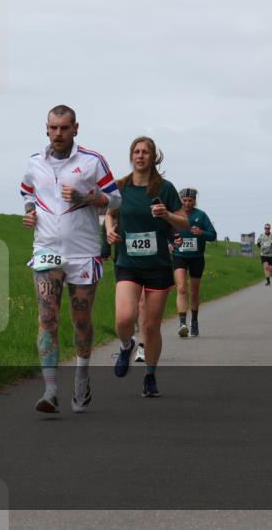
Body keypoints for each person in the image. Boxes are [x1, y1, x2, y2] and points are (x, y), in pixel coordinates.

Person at [22, 105, 121, 413]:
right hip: (46, 249)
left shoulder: (93, 161)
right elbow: (27, 193)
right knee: (47, 318)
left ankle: (81, 375)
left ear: (75, 128)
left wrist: (89, 198)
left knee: (80, 320)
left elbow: (115, 197)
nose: (58, 134)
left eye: (64, 128)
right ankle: (50, 391)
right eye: (53, 128)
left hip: (83, 251)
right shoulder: (34, 162)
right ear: (46, 128)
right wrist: (29, 214)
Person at [105, 136, 188, 398]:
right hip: (128, 262)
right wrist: (109, 231)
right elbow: (109, 213)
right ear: (131, 156)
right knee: (124, 318)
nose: (140, 156)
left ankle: (150, 375)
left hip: (158, 265)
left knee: (151, 326)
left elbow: (183, 223)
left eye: (145, 152)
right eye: (136, 152)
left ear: (153, 157)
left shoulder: (165, 188)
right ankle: (126, 345)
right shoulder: (120, 187)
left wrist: (167, 215)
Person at [171, 188, 217, 338]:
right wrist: (170, 242)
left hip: (197, 257)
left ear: (194, 201)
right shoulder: (175, 214)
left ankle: (195, 321)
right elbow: (165, 232)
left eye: (190, 200)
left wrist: (202, 233)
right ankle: (182, 323)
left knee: (194, 292)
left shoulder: (201, 215)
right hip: (179, 255)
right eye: (184, 200)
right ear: (180, 200)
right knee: (182, 288)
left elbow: (213, 235)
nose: (187, 203)